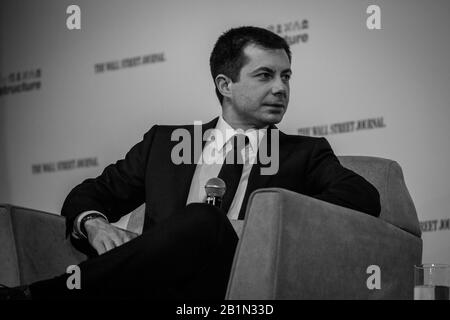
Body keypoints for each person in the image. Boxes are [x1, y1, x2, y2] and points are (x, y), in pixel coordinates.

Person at [0, 26, 380, 300]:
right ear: (225, 85)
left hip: (231, 286)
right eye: (265, 75)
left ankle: (37, 296)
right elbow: (91, 193)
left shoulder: (305, 153)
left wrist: (267, 221)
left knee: (204, 219)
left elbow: (362, 197)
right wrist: (96, 226)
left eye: (286, 76)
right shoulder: (165, 144)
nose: (281, 88)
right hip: (153, 285)